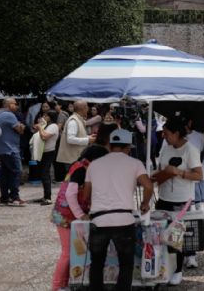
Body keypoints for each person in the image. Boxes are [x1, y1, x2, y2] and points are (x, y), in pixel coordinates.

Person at [84, 128, 153, 291]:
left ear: (110, 145)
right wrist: (145, 203)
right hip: (124, 220)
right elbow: (148, 186)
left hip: (99, 220)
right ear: (128, 147)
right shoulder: (135, 163)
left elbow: (85, 195)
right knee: (126, 264)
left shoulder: (94, 164)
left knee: (97, 263)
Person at [51, 123, 116, 291]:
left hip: (74, 214)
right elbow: (70, 195)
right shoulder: (81, 169)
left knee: (74, 251)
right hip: (65, 215)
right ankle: (57, 286)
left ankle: (67, 284)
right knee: (67, 252)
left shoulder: (86, 167)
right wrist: (81, 215)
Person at [152, 118, 203, 285]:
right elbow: (161, 169)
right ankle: (164, 268)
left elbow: (198, 175)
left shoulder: (190, 149)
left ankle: (178, 270)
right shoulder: (166, 148)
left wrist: (179, 173)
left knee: (176, 237)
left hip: (182, 200)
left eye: (166, 134)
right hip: (163, 198)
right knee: (160, 236)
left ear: (176, 133)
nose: (164, 137)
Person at [56, 100, 96, 181]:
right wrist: (88, 139)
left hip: (75, 158)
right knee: (73, 183)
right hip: (72, 159)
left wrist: (88, 137)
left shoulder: (77, 119)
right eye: (87, 107)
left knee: (75, 183)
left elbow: (77, 135)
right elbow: (70, 139)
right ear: (82, 109)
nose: (88, 109)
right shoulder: (73, 121)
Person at [0, 98, 26, 206]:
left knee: (5, 173)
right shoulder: (9, 115)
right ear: (9, 105)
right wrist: (22, 126)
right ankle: (15, 197)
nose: (17, 106)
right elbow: (20, 130)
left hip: (0, 149)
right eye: (15, 104)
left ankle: (4, 197)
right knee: (16, 171)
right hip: (10, 149)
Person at [35, 110, 60, 205]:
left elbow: (44, 136)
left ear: (50, 117)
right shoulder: (47, 125)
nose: (43, 117)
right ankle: (45, 196)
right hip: (43, 152)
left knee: (45, 174)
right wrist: (40, 126)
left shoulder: (53, 126)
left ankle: (48, 198)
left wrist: (40, 127)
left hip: (48, 152)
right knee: (43, 174)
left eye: (45, 116)